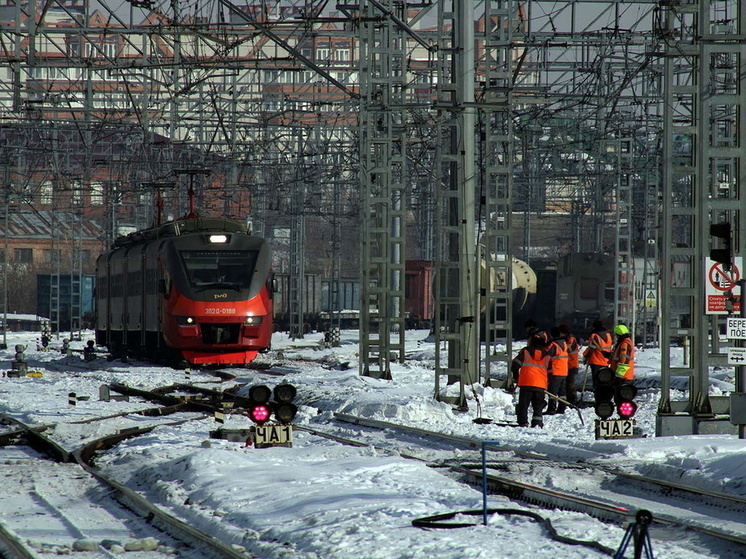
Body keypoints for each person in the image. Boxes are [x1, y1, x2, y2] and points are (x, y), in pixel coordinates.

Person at [511, 331, 550, 427]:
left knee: (523, 405)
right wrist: (547, 383)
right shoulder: (547, 355)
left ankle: (523, 422)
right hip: (540, 385)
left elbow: (515, 365)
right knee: (538, 406)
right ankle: (537, 423)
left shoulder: (525, 351)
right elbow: (551, 372)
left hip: (526, 383)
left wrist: (517, 377)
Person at [583, 320, 613, 388]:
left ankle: (597, 392)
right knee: (604, 379)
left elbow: (591, 348)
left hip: (596, 360)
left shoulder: (594, 335)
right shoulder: (608, 335)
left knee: (596, 379)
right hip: (605, 360)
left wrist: (585, 355)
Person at [546, 327, 569, 414]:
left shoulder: (553, 345)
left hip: (556, 371)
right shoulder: (564, 343)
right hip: (564, 371)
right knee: (562, 392)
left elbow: (547, 356)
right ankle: (562, 408)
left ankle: (551, 409)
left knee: (552, 392)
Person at [560, 323, 580, 404]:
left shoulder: (571, 339)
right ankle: (569, 400)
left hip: (572, 365)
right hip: (567, 365)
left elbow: (565, 349)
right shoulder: (567, 338)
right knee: (567, 384)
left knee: (570, 384)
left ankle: (573, 400)